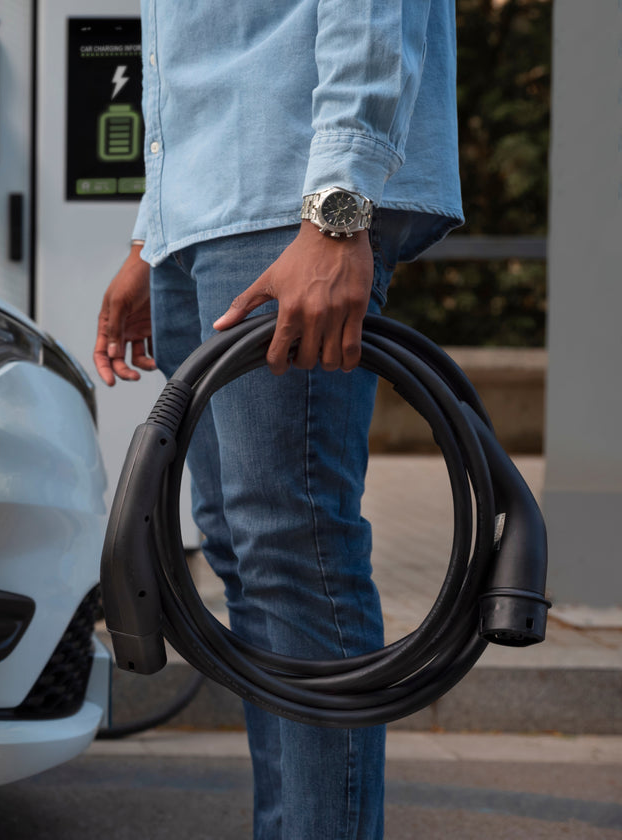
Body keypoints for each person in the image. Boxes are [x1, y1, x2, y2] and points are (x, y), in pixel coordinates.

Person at [93, 3, 462, 838]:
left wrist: (340, 205)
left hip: (285, 191)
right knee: (243, 545)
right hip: (206, 207)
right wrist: (150, 237)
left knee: (291, 545)